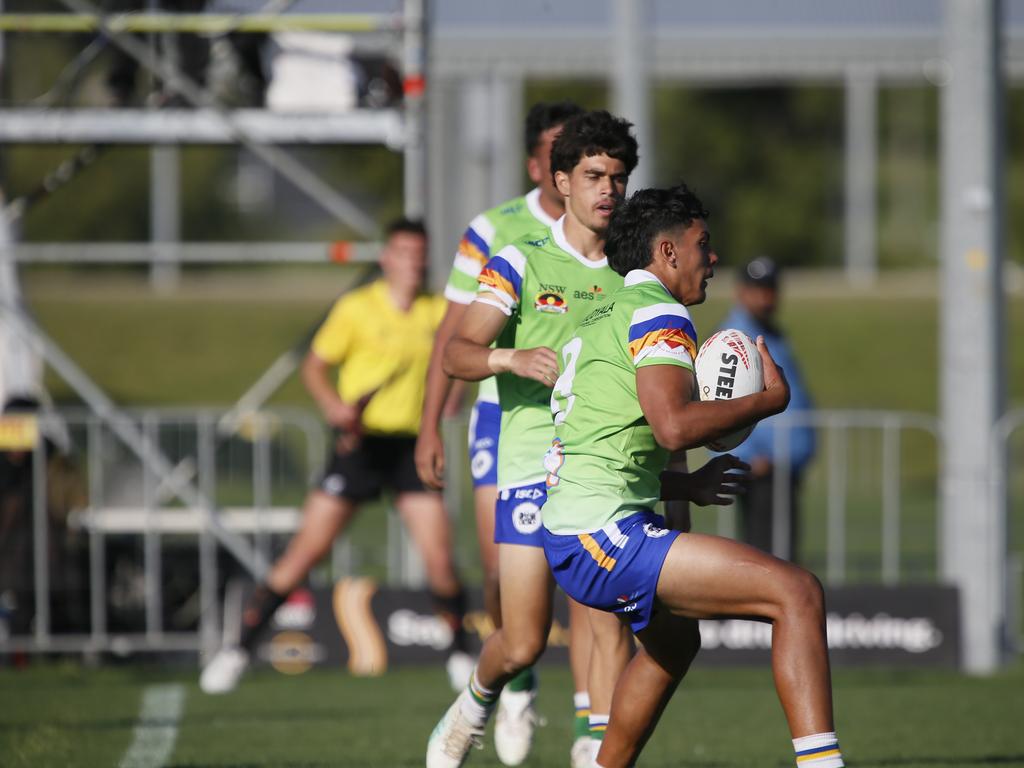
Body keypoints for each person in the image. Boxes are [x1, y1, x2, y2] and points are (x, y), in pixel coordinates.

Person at [540, 183, 845, 768]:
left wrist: (686, 487)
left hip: (579, 527)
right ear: (667, 252)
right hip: (602, 533)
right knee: (797, 593)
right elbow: (674, 427)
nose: (713, 259)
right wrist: (767, 402)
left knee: (674, 645)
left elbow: (606, 447)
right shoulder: (658, 312)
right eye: (703, 244)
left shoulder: (600, 313)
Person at [426, 110, 640, 768]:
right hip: (525, 468)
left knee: (601, 615)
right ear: (561, 181)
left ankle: (592, 744)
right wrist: (508, 360)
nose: (607, 189)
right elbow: (459, 351)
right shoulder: (518, 259)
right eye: (593, 175)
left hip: (598, 474)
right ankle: (476, 702)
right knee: (519, 642)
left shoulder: (635, 276)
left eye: (618, 177)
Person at [200, 219, 471, 694]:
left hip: (412, 445)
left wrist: (455, 398)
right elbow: (315, 366)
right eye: (403, 253)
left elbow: (457, 367)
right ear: (386, 258)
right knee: (306, 551)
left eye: (420, 254)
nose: (413, 262)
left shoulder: (437, 312)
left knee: (439, 558)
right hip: (360, 444)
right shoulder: (357, 308)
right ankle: (238, 649)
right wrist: (334, 408)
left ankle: (460, 654)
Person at [718, 256, 815, 561]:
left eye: (771, 288)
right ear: (741, 292)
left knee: (783, 557)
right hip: (761, 472)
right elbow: (722, 399)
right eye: (758, 289)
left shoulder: (773, 333)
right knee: (767, 562)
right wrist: (748, 458)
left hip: (784, 468)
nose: (766, 297)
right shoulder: (736, 339)